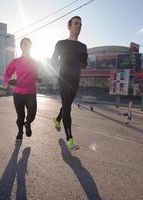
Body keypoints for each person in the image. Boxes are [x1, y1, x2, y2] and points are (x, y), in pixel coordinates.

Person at [51, 16, 88, 150]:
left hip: (75, 81)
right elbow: (53, 61)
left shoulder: (83, 46)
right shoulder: (61, 43)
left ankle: (57, 119)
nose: (78, 25)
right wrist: (61, 61)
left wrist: (84, 59)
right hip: (63, 79)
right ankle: (70, 139)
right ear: (69, 26)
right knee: (68, 108)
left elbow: (84, 65)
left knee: (66, 105)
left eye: (80, 24)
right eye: (76, 23)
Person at [3, 38, 39, 142]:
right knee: (20, 116)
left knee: (32, 114)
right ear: (21, 46)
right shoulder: (16, 62)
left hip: (31, 92)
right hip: (18, 93)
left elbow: (35, 75)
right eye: (24, 44)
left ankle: (27, 123)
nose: (26, 46)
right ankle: (20, 132)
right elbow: (7, 74)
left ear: (31, 47)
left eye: (28, 44)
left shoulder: (34, 62)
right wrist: (9, 81)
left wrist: (39, 78)